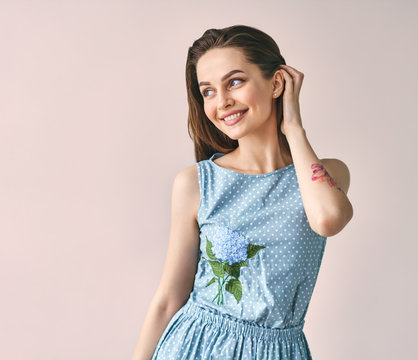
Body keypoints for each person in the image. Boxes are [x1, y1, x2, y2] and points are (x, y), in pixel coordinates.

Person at [131, 24, 353, 360]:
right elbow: (167, 299)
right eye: (208, 91)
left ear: (276, 82)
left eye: (235, 81)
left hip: (281, 350)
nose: (222, 102)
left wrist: (293, 127)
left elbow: (328, 219)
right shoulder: (196, 183)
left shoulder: (326, 174)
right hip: (197, 346)